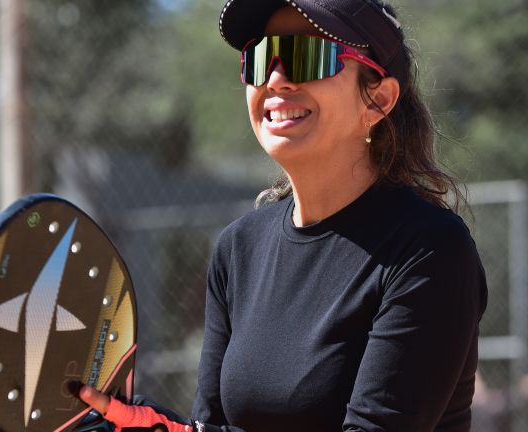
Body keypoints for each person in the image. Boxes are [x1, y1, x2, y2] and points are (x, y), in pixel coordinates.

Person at [78, 0, 488, 431]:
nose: (275, 79)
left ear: (378, 99)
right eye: (259, 59)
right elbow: (213, 424)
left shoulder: (428, 249)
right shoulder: (238, 249)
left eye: (305, 57)